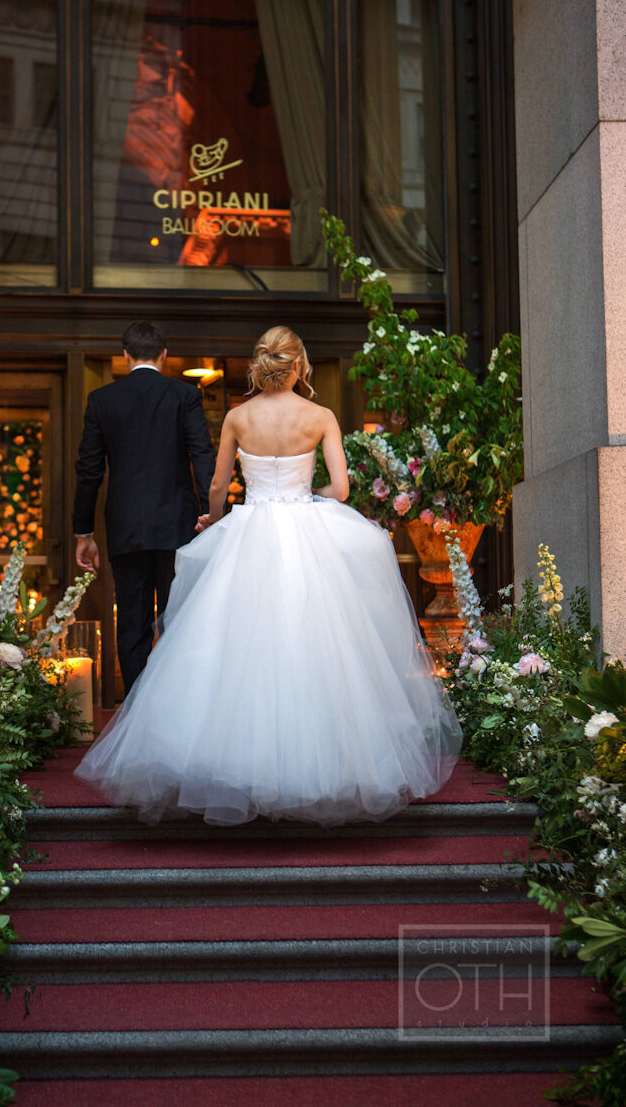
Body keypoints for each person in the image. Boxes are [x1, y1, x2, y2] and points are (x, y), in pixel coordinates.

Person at [75, 325, 462, 825]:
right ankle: (317, 764)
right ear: (298, 365)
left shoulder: (238, 415)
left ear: (263, 365)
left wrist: (214, 520)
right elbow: (341, 488)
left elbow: (216, 486)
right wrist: (308, 501)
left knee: (231, 648)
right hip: (304, 531)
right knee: (314, 646)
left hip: (250, 529)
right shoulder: (320, 416)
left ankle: (232, 763)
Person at [73, 320, 216, 695]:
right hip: (178, 526)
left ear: (125, 356)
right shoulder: (184, 396)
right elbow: (202, 454)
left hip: (126, 527)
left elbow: (88, 470)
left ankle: (137, 711)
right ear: (164, 355)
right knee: (178, 619)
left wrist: (83, 532)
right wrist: (210, 513)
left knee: (132, 623)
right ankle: (174, 707)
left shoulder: (102, 401)